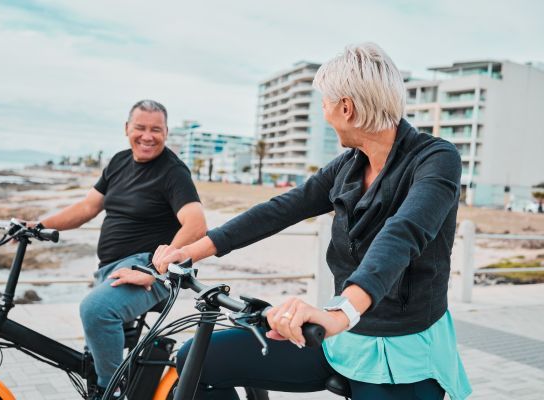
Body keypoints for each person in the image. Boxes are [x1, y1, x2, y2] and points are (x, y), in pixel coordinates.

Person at [151, 43, 472, 400]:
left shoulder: (436, 159)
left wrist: (339, 312)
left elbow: (402, 234)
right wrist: (192, 252)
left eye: (325, 103)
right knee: (199, 359)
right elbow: (281, 209)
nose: (324, 112)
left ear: (346, 108)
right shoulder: (350, 165)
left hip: (401, 352)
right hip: (341, 337)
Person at [30, 100, 207, 398]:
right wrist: (37, 225)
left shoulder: (173, 171)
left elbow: (196, 225)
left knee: (96, 311)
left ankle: (112, 392)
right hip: (111, 270)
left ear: (166, 132)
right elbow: (88, 207)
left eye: (156, 129)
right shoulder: (119, 162)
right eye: (140, 128)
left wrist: (155, 271)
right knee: (91, 358)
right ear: (127, 129)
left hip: (149, 270)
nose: (147, 136)